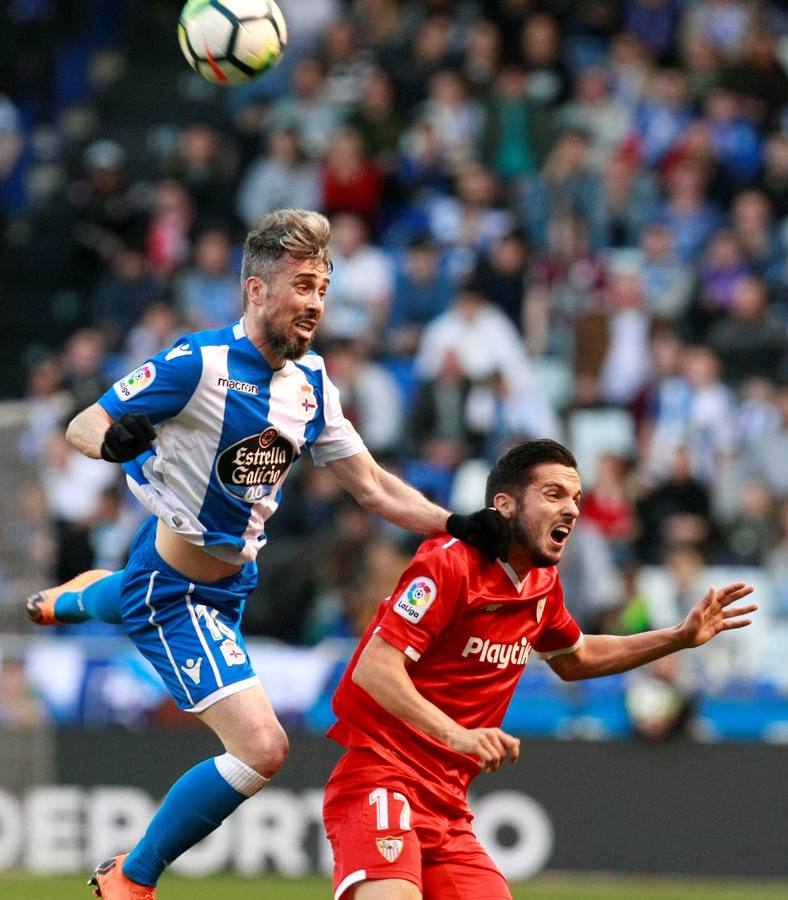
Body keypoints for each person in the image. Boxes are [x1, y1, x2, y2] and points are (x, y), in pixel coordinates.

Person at [24, 209, 508, 900]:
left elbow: (371, 486)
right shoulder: (198, 363)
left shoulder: (312, 384)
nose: (315, 302)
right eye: (303, 285)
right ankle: (131, 878)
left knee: (141, 588)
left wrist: (458, 522)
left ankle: (73, 599)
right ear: (256, 291)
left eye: (323, 287)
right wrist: (114, 440)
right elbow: (84, 423)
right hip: (173, 595)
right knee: (262, 748)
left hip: (227, 581)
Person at [322, 438, 756, 900]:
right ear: (504, 505)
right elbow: (375, 669)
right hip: (382, 780)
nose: (570, 509)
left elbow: (577, 658)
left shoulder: (543, 584)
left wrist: (676, 637)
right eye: (553, 495)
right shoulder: (449, 562)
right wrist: (457, 734)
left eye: (576, 499)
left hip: (447, 806)